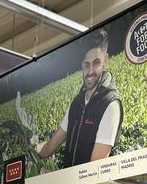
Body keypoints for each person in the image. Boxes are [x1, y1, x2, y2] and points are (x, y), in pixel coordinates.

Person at [38, 29, 123, 167]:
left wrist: (59, 179)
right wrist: (30, 149)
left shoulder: (110, 105)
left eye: (96, 63)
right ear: (81, 65)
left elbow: (95, 168)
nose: (90, 71)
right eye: (86, 64)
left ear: (105, 60)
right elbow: (48, 149)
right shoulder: (76, 104)